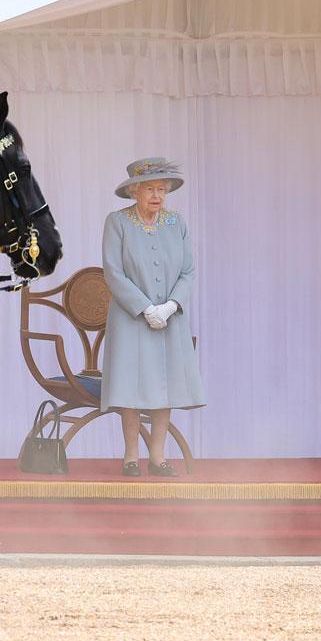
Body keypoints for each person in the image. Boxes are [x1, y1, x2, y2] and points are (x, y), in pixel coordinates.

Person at [100, 158, 204, 477]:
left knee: (166, 383)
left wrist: (171, 306)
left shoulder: (177, 223)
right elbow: (113, 273)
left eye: (162, 189)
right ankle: (131, 455)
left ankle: (157, 457)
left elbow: (187, 271)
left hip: (170, 319)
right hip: (131, 318)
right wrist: (145, 308)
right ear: (134, 191)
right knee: (130, 385)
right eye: (150, 189)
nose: (157, 196)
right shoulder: (117, 222)